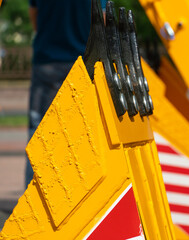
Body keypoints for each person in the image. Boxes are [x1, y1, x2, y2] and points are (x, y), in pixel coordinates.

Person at [25, 0, 107, 186]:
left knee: (39, 132)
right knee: (85, 134)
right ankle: (81, 192)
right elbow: (102, 21)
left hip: (47, 62)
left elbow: (34, 17)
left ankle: (34, 194)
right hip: (85, 63)